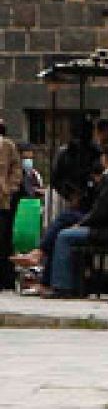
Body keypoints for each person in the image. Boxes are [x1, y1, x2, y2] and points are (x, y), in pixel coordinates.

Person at [46, 144, 108, 297]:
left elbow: (101, 211)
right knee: (67, 224)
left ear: (106, 158)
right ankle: (71, 282)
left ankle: (62, 285)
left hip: (107, 230)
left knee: (64, 236)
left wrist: (81, 224)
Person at [0, 121, 22, 292]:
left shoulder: (7, 146)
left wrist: (10, 187)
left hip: (2, 198)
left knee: (3, 237)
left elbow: (16, 168)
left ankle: (5, 278)